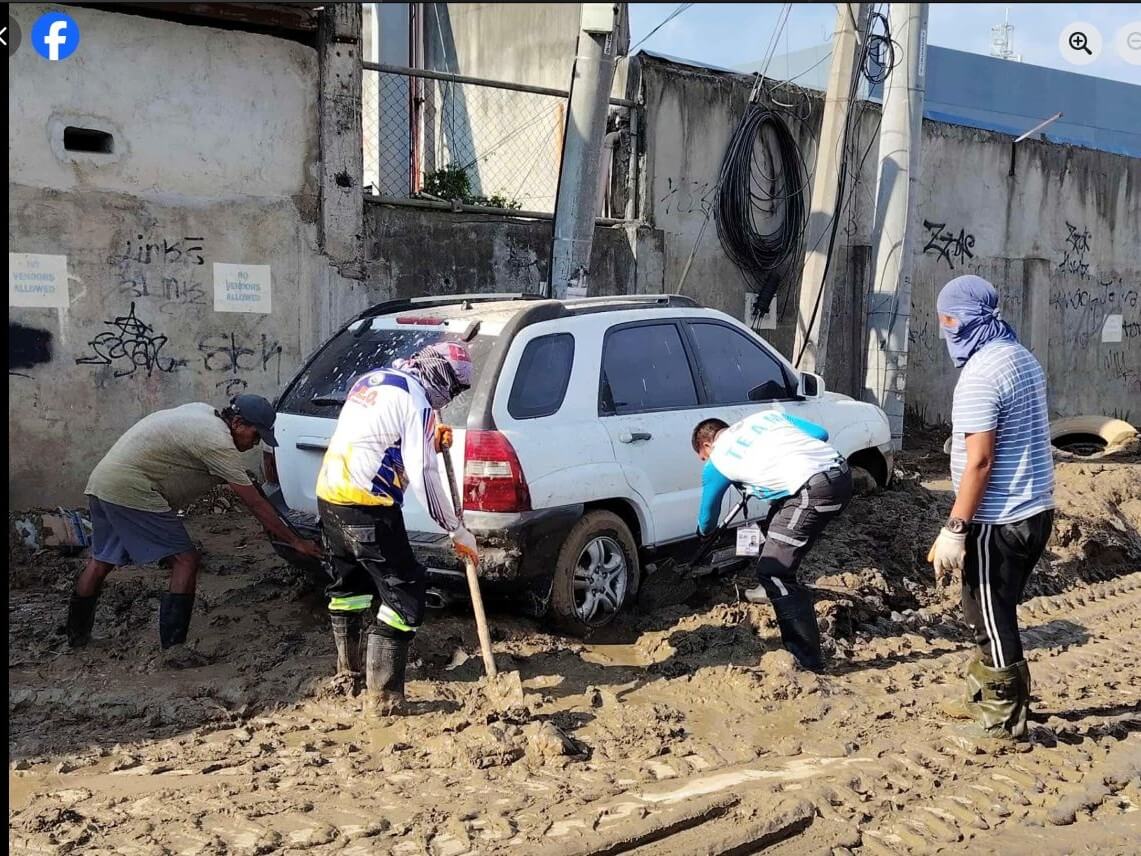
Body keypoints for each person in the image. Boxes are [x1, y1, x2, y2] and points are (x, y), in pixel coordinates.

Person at [66, 395, 323, 650]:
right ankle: (174, 649)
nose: (255, 443)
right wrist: (296, 542)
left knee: (101, 561)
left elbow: (246, 486)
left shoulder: (203, 413)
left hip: (103, 482)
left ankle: (76, 639)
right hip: (132, 490)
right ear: (237, 423)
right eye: (255, 435)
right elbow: (254, 503)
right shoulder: (217, 444)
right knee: (186, 560)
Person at [315, 341, 479, 715]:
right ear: (439, 375)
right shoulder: (416, 401)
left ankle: (349, 676)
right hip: (368, 506)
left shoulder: (372, 380)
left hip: (329, 497)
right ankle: (384, 698)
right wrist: (454, 528)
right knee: (404, 594)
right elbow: (422, 471)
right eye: (451, 388)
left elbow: (377, 434)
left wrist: (428, 439)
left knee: (349, 588)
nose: (449, 398)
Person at [928, 275, 1054, 743]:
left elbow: (980, 459)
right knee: (988, 606)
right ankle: (981, 695)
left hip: (999, 518)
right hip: (1036, 508)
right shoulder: (1020, 356)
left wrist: (956, 527)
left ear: (963, 320)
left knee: (989, 616)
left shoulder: (980, 375)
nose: (946, 330)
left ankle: (1003, 720)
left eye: (948, 320)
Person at [691, 410, 853, 672]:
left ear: (706, 445)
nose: (704, 461)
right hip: (841, 474)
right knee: (770, 526)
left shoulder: (716, 462)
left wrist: (703, 535)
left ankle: (807, 661)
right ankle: (764, 589)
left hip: (812, 491)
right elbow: (820, 434)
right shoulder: (765, 418)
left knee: (775, 572)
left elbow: (708, 517)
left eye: (702, 457)